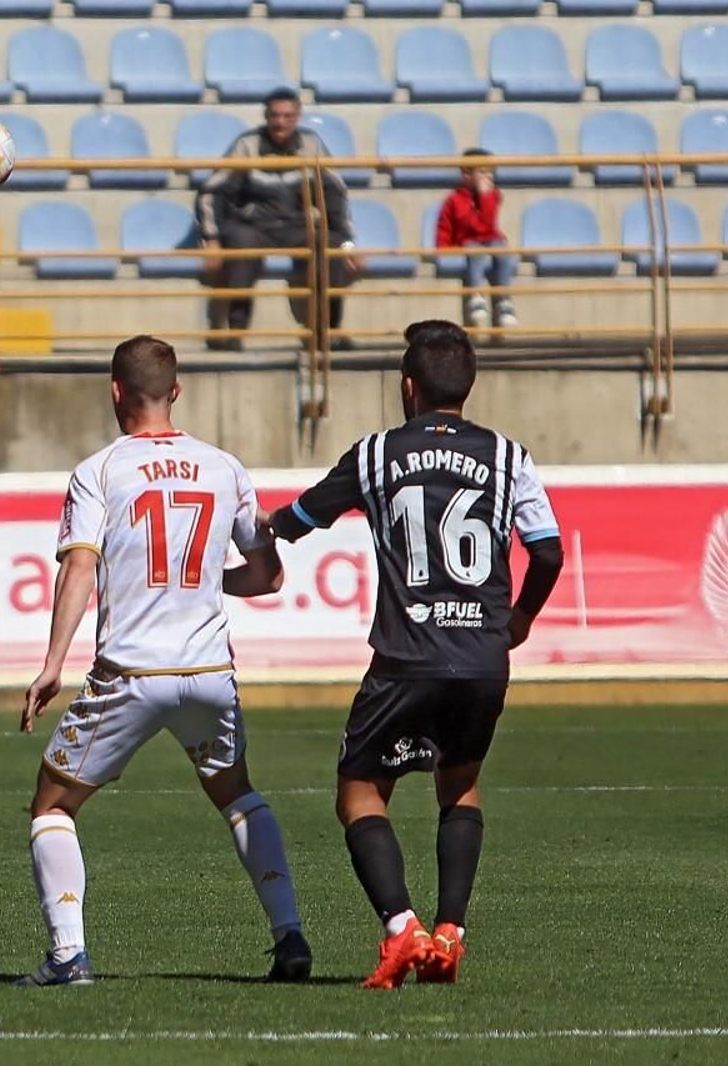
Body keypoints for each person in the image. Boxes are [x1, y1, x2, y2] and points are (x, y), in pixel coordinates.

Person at [264, 320, 565, 989]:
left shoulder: (375, 455)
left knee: (361, 792)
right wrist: (517, 621)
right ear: (470, 384)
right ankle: (451, 934)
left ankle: (403, 931)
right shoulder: (509, 457)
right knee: (458, 783)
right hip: (483, 655)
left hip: (407, 655)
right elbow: (547, 550)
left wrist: (259, 530)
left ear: (407, 386)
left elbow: (300, 519)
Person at [17, 335, 312, 987]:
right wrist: (208, 583)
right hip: (208, 672)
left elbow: (81, 566)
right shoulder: (224, 466)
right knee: (236, 794)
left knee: (53, 806)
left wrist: (52, 662)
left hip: (131, 672)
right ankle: (289, 935)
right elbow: (265, 577)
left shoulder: (99, 471)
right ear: (175, 391)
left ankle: (68, 956)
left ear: (115, 390)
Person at [196, 88, 363, 352]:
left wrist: (349, 245)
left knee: (330, 245)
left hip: (297, 226)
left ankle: (328, 333)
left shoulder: (311, 144)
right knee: (241, 244)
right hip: (254, 226)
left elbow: (335, 195)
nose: (280, 122)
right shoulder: (247, 145)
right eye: (274, 115)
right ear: (266, 116)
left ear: (298, 117)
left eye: (287, 116)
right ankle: (235, 333)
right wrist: (212, 238)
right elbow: (211, 192)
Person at [435, 149, 518, 331]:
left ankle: (504, 300)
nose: (487, 177)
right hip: (466, 240)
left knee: (503, 252)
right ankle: (475, 296)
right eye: (482, 172)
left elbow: (488, 225)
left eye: (490, 172)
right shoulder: (455, 199)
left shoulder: (493, 195)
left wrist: (485, 197)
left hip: (490, 237)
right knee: (475, 251)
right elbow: (461, 226)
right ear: (466, 174)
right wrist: (443, 248)